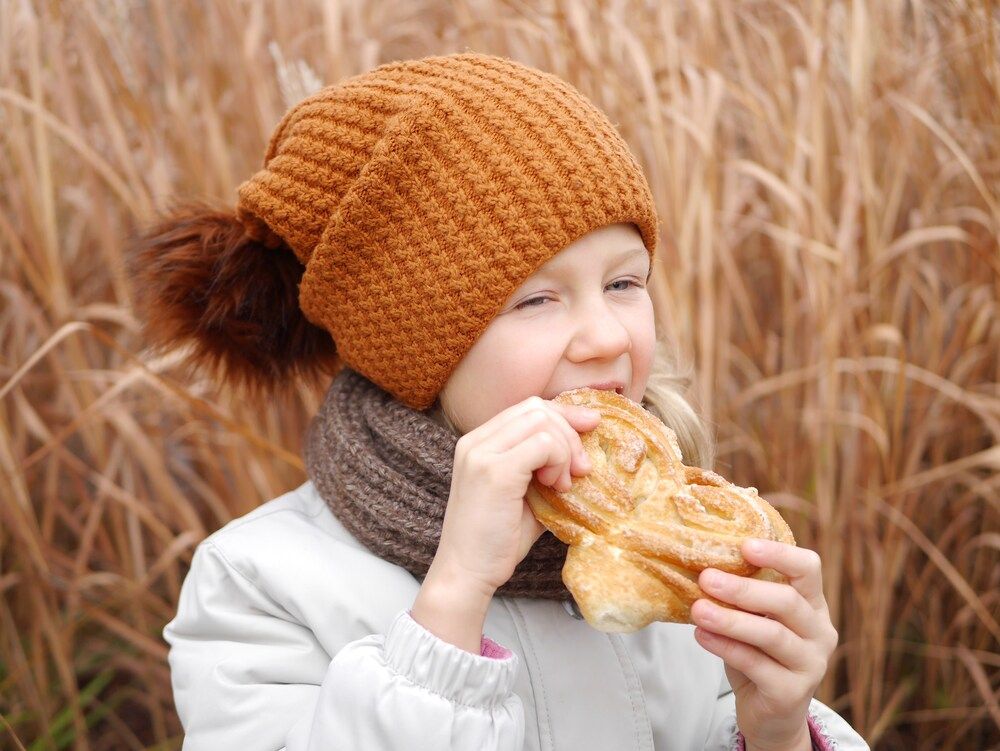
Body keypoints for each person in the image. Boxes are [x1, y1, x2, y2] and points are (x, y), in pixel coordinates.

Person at [130, 51, 870, 751]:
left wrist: (776, 728)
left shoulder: (679, 557)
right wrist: (453, 596)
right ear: (417, 345)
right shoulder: (263, 582)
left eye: (624, 282)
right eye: (537, 298)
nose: (605, 335)